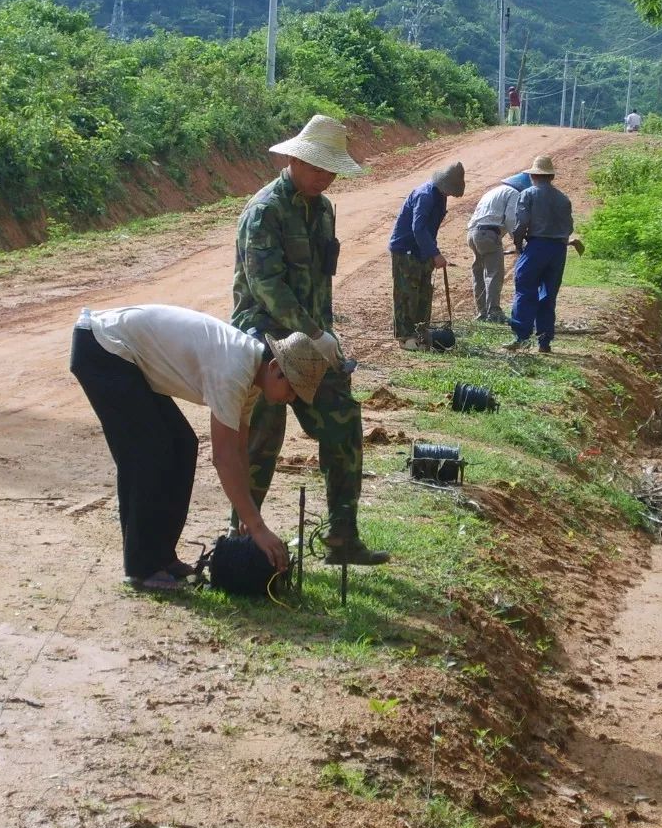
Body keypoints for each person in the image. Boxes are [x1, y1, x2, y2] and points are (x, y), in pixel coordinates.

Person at [71, 305, 327, 590]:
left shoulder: (252, 379)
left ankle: (162, 559)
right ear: (276, 368)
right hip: (103, 347)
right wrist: (257, 526)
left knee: (182, 446)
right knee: (149, 453)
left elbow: (240, 448)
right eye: (292, 390)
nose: (290, 399)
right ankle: (142, 568)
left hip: (120, 353)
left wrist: (248, 514)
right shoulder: (235, 369)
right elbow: (223, 456)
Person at [231, 115, 388, 566]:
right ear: (295, 159)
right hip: (264, 339)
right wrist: (315, 333)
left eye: (330, 169)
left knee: (342, 425)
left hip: (313, 340)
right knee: (262, 440)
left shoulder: (322, 210)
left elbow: (321, 283)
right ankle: (242, 542)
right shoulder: (265, 212)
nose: (324, 177)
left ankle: (343, 536)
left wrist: (325, 336)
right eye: (317, 167)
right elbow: (266, 286)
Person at [388, 161, 465, 349]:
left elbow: (430, 229)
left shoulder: (440, 196)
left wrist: (430, 252)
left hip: (423, 251)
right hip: (406, 251)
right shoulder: (425, 195)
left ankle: (421, 332)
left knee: (424, 293)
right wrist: (435, 253)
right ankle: (405, 337)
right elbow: (418, 228)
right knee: (407, 294)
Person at [503, 155, 574, 354]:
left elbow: (522, 223)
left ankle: (521, 336)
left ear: (533, 175)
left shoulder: (528, 194)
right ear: (550, 177)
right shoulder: (563, 198)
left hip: (536, 246)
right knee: (548, 295)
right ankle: (544, 341)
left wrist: (518, 243)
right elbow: (569, 227)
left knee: (525, 290)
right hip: (558, 249)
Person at [465, 172, 530, 323]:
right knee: (494, 273)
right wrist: (519, 243)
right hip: (488, 234)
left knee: (479, 273)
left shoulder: (494, 191)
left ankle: (482, 312)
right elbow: (511, 220)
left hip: (473, 233)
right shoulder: (514, 194)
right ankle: (493, 312)